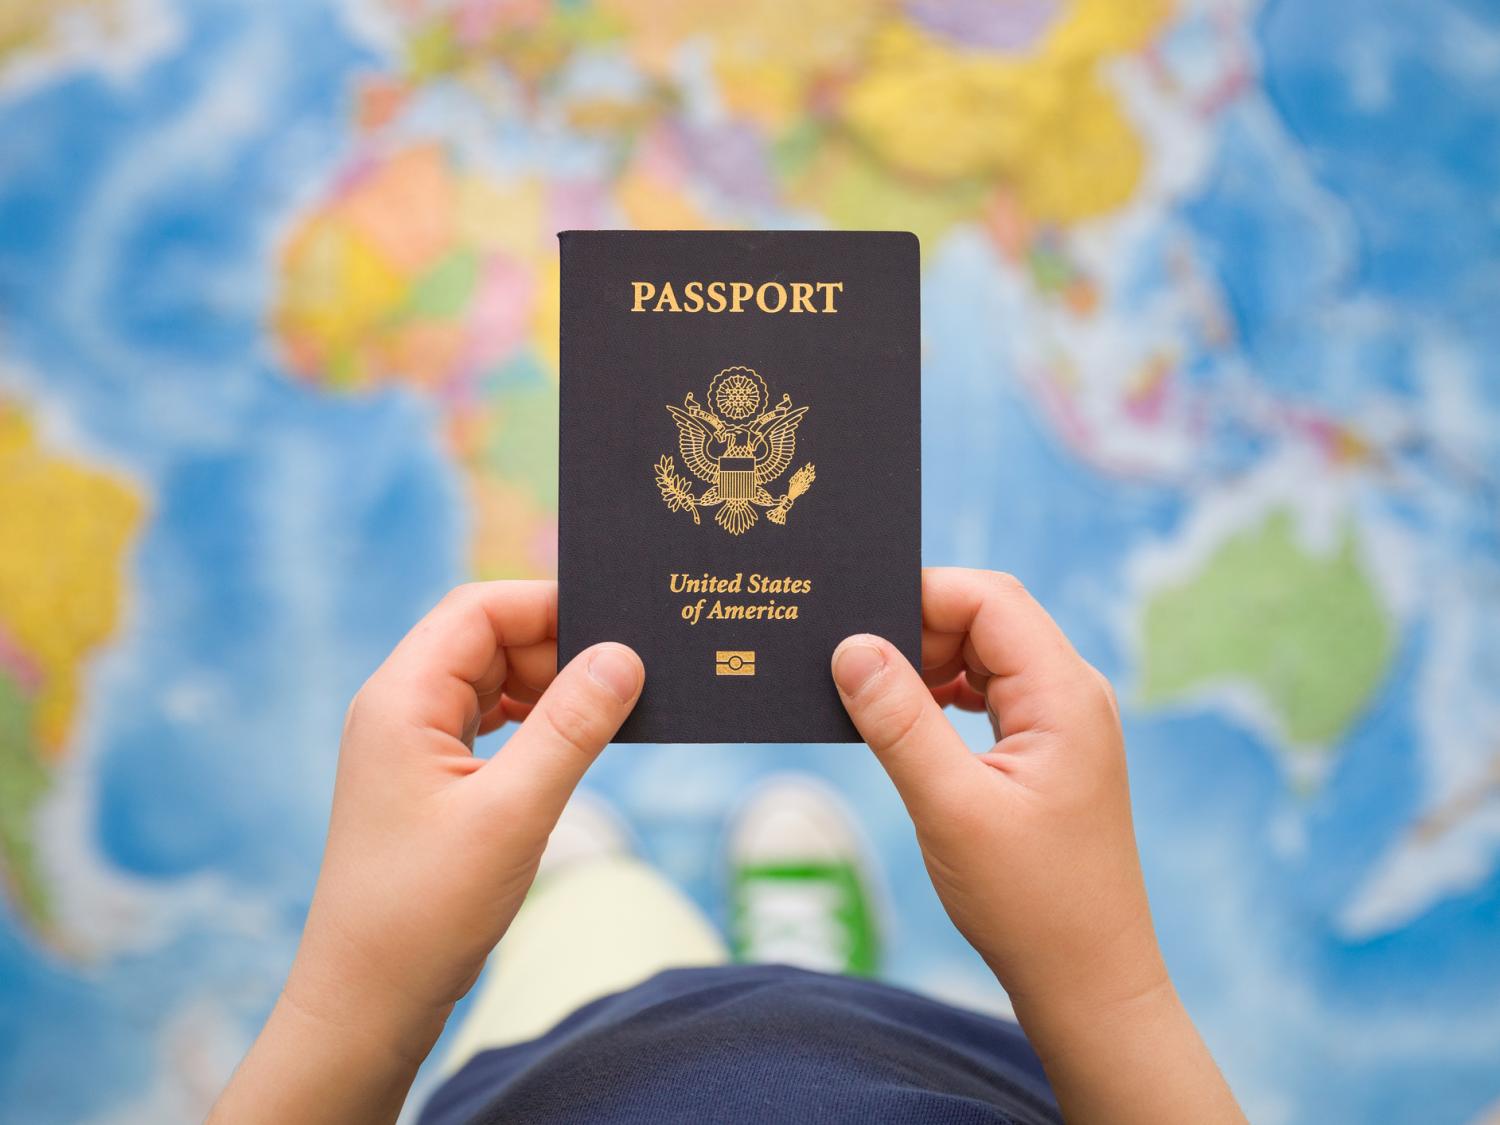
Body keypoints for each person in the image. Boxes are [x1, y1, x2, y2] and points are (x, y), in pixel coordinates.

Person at [209, 569, 1246, 1123]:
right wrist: (1108, 994)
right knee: (802, 1011)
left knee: (590, 934)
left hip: (561, 1063)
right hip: (917, 1069)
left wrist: (355, 1010)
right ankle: (806, 979)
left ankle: (586, 905)